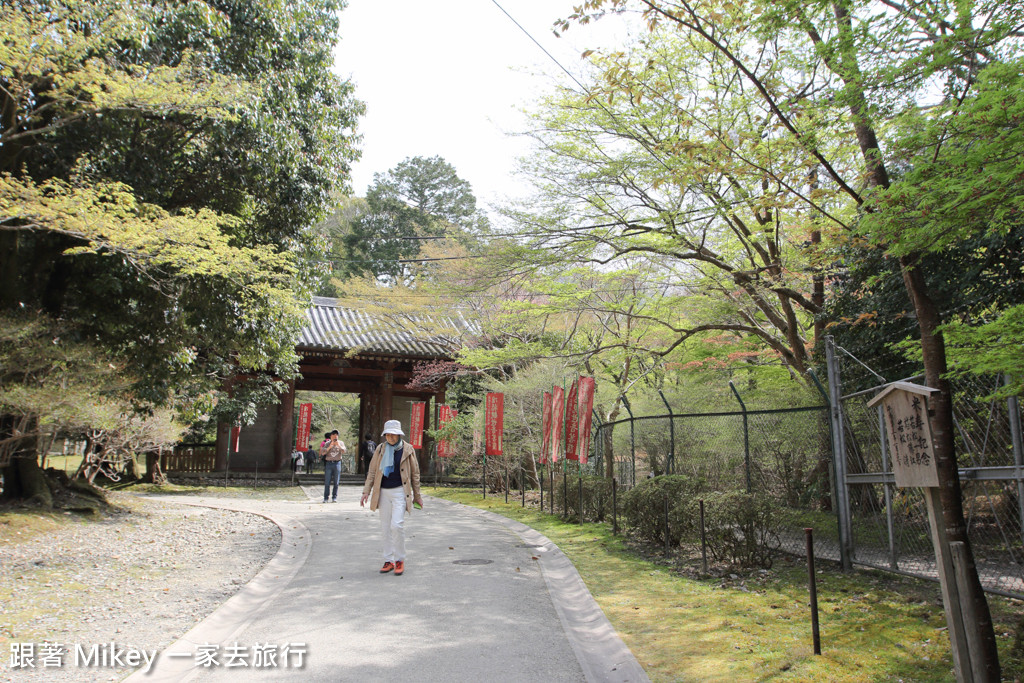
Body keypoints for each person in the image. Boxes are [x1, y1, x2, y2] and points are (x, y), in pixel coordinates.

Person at [360, 420, 423, 576]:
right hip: (383, 492)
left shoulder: (408, 449)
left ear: (399, 434)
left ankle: (400, 559)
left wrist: (417, 496)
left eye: (393, 434)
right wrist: (366, 491)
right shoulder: (380, 449)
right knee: (385, 528)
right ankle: (389, 560)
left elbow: (415, 474)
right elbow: (372, 471)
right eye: (387, 434)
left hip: (400, 492)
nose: (390, 437)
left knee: (397, 525)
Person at [320, 430, 346, 503]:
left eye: (336, 435)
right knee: (327, 481)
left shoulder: (341, 443)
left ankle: (334, 497)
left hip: (337, 463)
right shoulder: (327, 443)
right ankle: (326, 498)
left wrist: (339, 445)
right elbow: (323, 453)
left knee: (336, 482)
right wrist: (329, 447)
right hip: (329, 463)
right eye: (333, 434)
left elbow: (344, 451)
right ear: (331, 436)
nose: (335, 436)